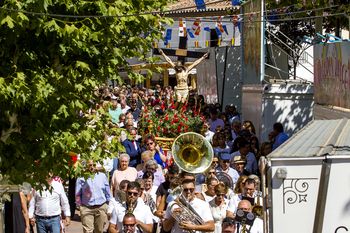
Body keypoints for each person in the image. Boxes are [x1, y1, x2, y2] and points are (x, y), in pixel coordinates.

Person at [75, 161, 111, 233]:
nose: (92, 167)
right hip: (86, 207)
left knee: (99, 230)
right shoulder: (81, 177)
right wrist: (80, 206)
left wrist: (109, 203)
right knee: (88, 231)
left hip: (100, 207)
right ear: (86, 166)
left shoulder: (102, 176)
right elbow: (77, 193)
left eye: (94, 165)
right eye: (90, 165)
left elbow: (107, 191)